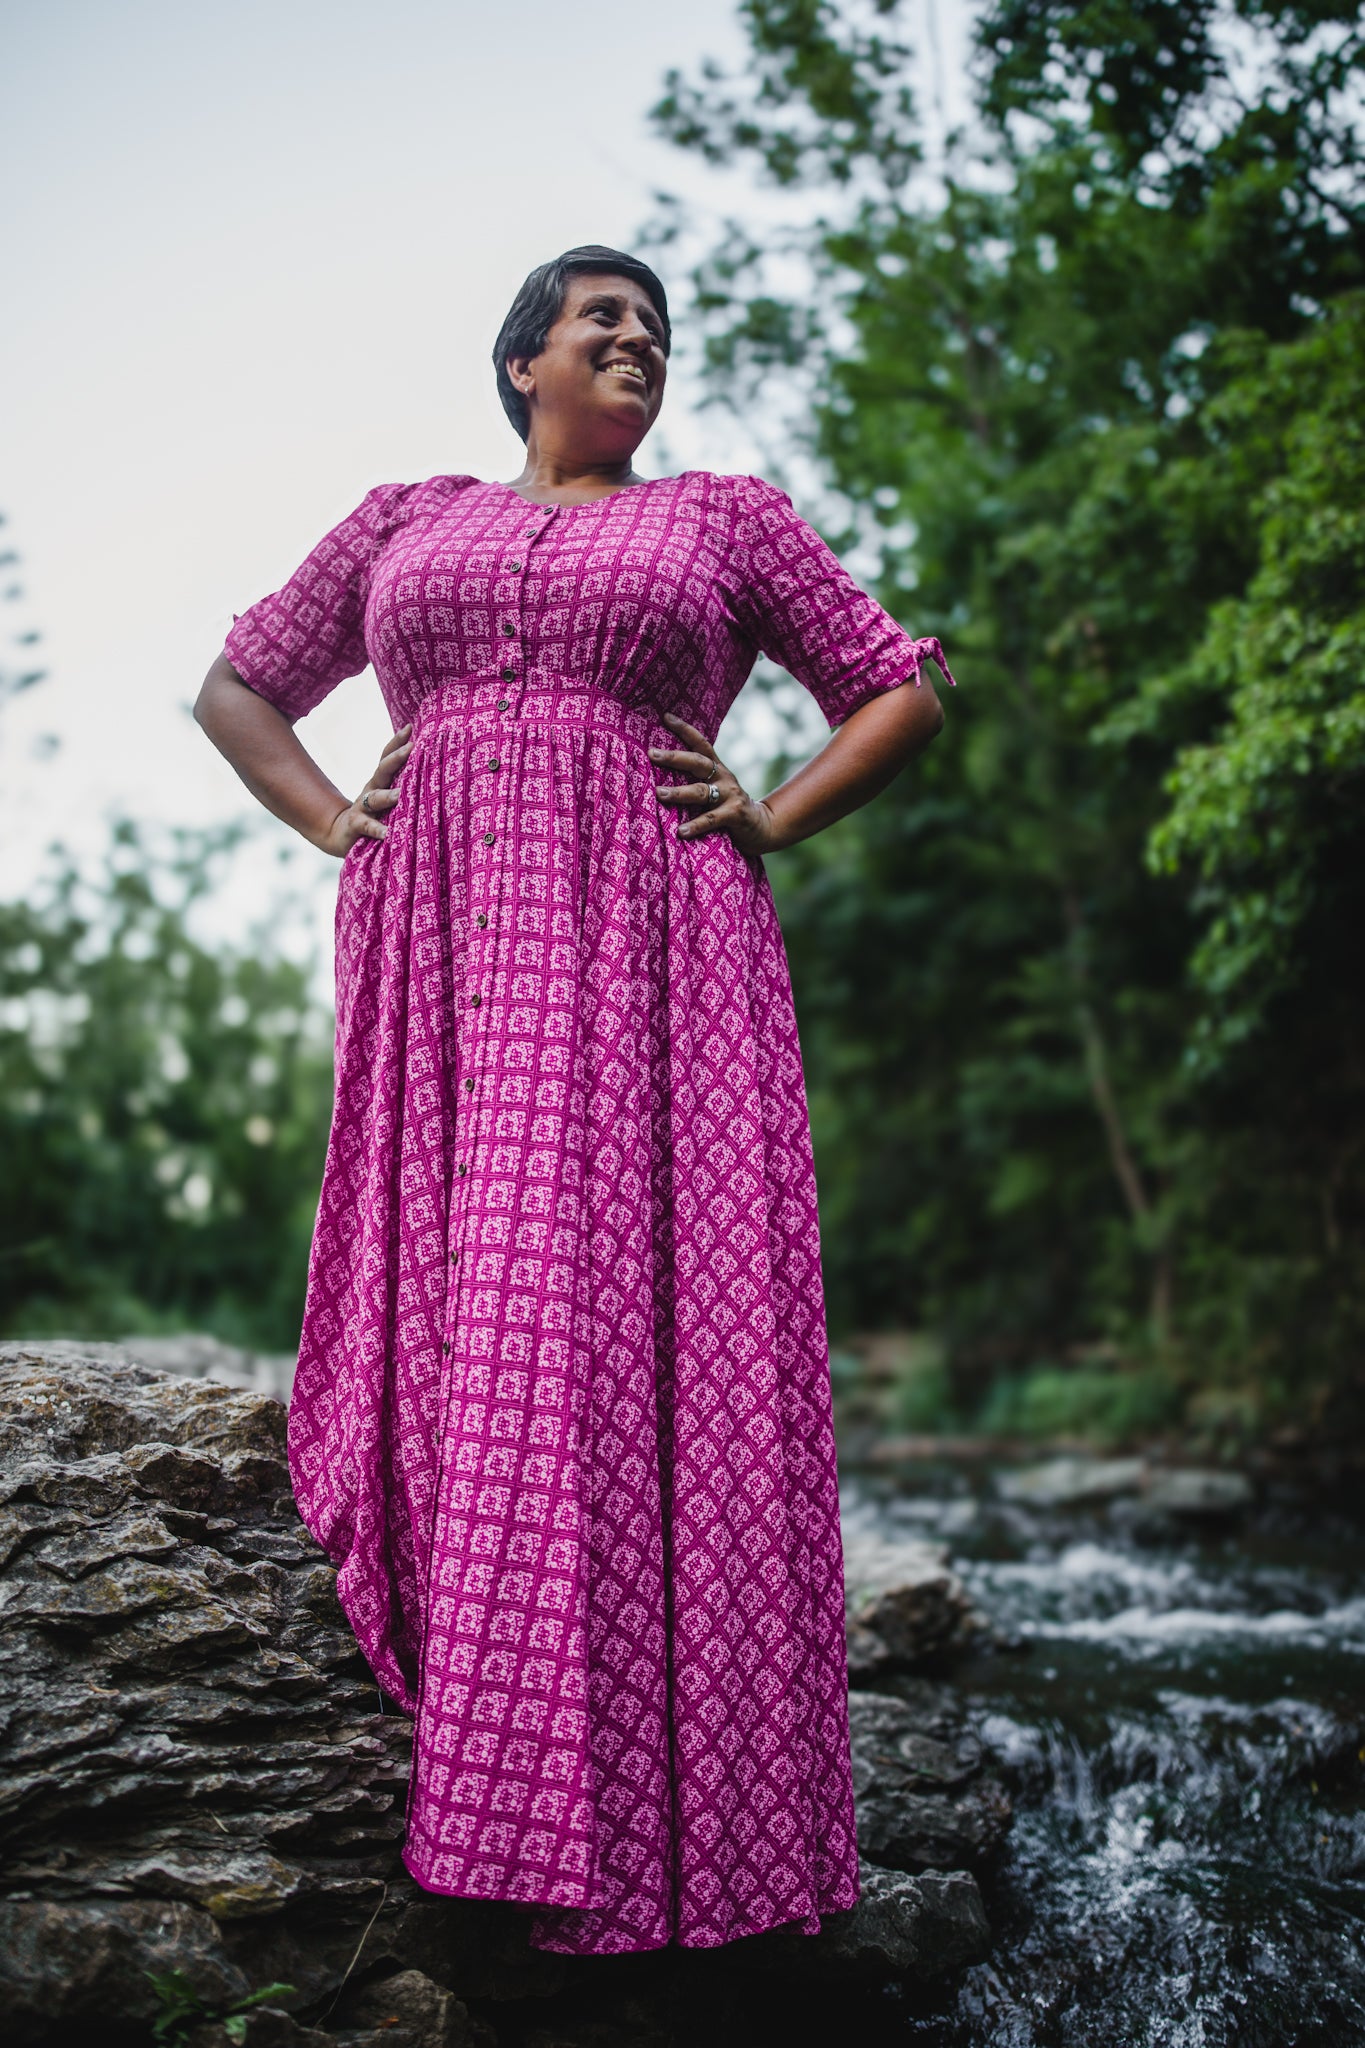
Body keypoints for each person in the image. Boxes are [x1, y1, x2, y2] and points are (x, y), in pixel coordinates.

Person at [194, 243, 951, 1957]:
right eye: (603, 317)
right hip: (447, 942)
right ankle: (495, 1721)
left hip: (655, 942)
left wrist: (773, 815)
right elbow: (237, 688)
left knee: (620, 1317)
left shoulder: (725, 522)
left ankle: (649, 1809)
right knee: (477, 1304)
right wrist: (328, 817)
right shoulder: (407, 518)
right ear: (521, 357)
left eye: (656, 329)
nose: (637, 341)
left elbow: (898, 686)